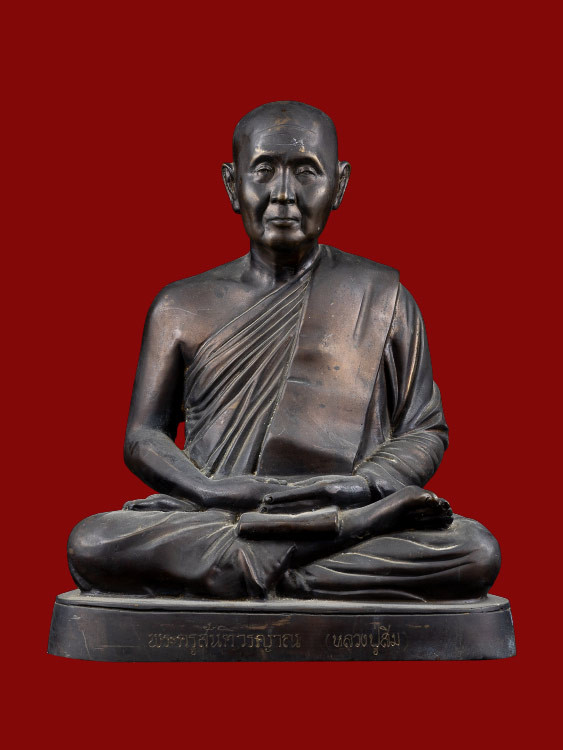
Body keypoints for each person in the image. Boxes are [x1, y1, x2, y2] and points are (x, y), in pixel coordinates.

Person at [68, 101, 500, 601]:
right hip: (222, 514)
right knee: (93, 541)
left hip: (344, 506)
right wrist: (209, 490)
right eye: (264, 171)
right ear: (233, 185)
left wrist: (362, 486)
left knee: (474, 550)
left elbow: (424, 429)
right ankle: (304, 560)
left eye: (306, 172)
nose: (283, 194)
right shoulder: (180, 306)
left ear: (339, 185)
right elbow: (144, 436)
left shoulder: (384, 300)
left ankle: (259, 568)